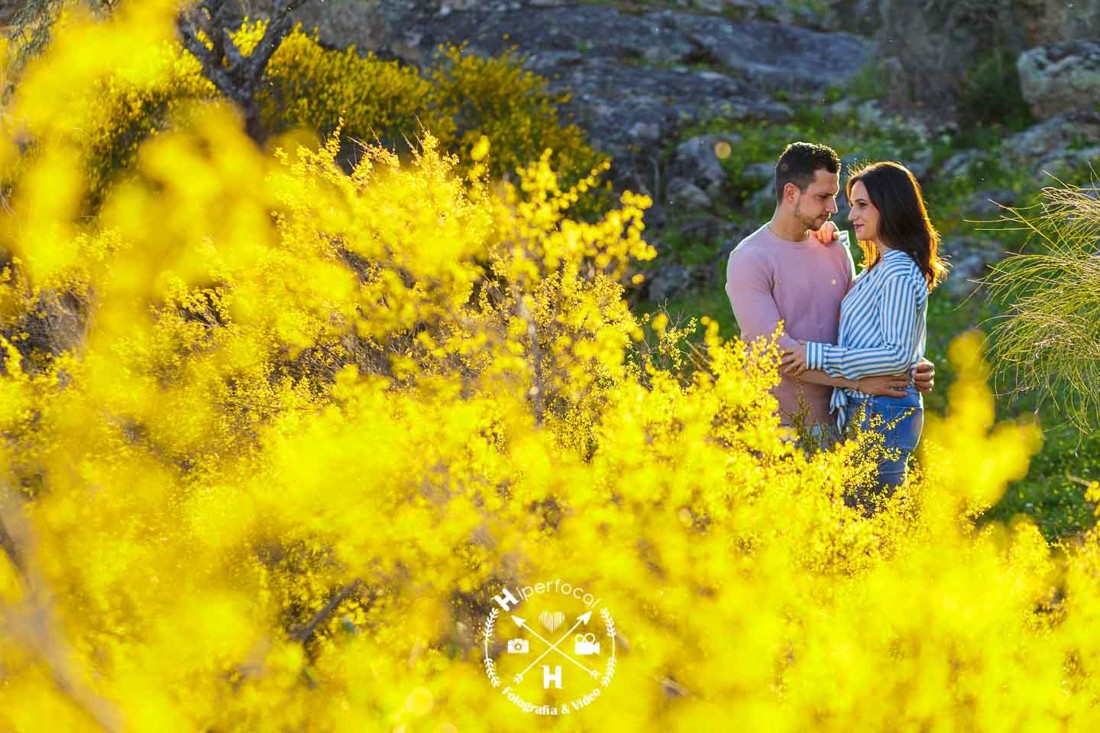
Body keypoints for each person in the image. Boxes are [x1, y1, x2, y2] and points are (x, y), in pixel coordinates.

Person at [725, 142, 933, 445]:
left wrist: (911, 362)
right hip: (774, 427)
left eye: (834, 197)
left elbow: (860, 328)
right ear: (791, 193)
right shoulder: (750, 258)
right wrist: (861, 382)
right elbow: (777, 355)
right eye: (823, 197)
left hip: (841, 422)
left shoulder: (833, 248)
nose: (834, 209)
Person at [781, 161, 947, 493]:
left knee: (871, 525)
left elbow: (896, 354)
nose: (851, 215)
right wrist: (832, 241)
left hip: (881, 411)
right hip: (869, 408)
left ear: (889, 206)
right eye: (851, 205)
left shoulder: (898, 271)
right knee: (861, 523)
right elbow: (877, 333)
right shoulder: (880, 269)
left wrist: (814, 354)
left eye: (862, 205)